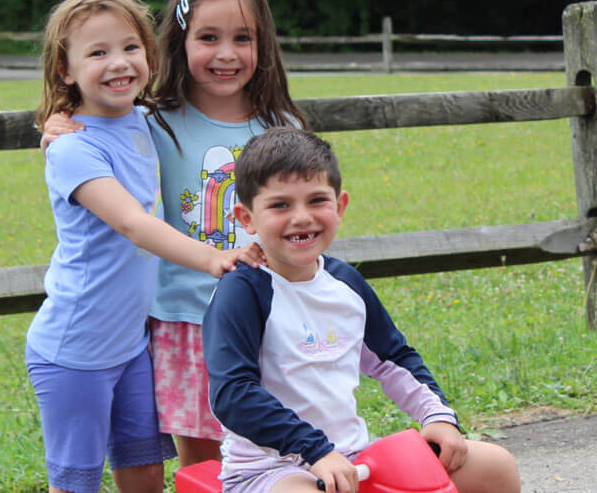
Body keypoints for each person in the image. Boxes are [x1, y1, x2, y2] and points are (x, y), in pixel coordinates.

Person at [41, 0, 307, 468]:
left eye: (243, 38)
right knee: (202, 466)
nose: (226, 54)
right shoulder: (151, 122)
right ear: (180, 41)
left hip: (272, 321)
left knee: (280, 451)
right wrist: (56, 123)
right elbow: (94, 133)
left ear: (263, 43)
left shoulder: (283, 127)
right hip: (186, 322)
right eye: (208, 37)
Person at [202, 127, 521, 493]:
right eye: (280, 205)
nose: (302, 217)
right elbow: (233, 394)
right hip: (272, 470)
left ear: (339, 206)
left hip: (353, 456)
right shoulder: (242, 292)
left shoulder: (345, 282)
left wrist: (437, 416)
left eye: (317, 200)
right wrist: (315, 450)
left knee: (495, 466)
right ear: (246, 218)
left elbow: (394, 358)